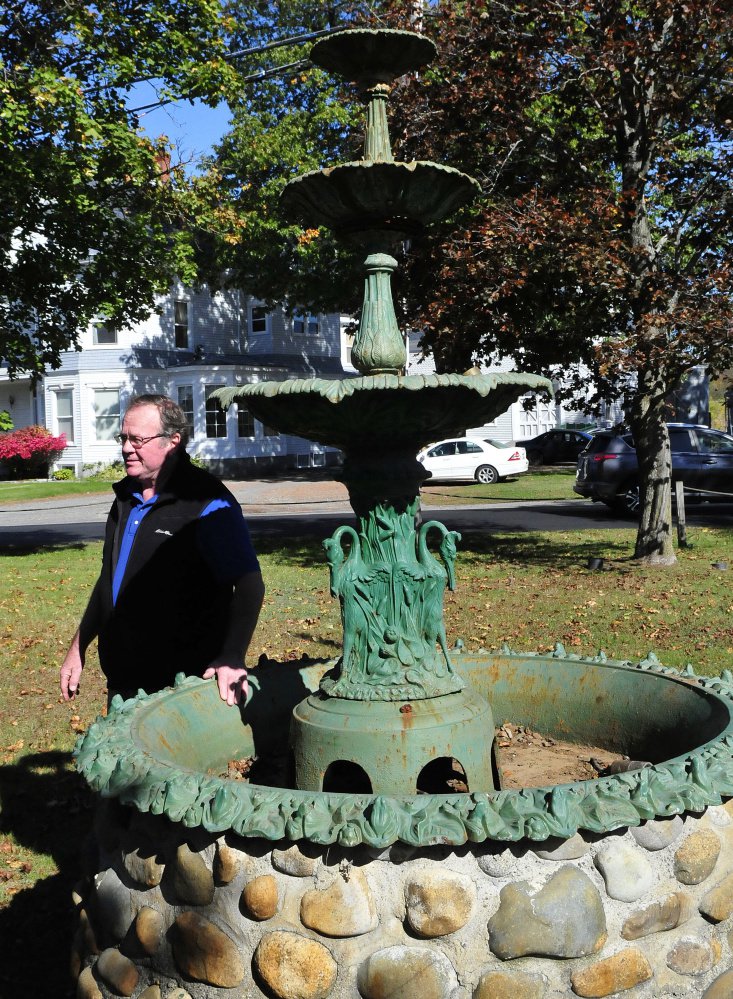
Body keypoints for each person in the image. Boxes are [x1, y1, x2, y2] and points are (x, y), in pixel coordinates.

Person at [60, 394, 265, 707]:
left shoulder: (207, 501)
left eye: (138, 440)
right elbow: (108, 580)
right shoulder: (125, 497)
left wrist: (233, 655)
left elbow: (250, 584)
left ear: (173, 441)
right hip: (124, 680)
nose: (127, 448)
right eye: (124, 438)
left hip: (182, 686)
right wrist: (78, 646)